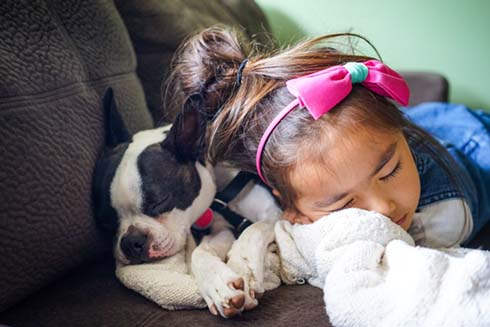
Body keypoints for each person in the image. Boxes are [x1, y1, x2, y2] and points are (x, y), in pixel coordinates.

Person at [166, 26, 490, 248]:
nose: (383, 208)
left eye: (391, 170)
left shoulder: (446, 217)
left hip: (470, 137)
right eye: (344, 203)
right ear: (290, 207)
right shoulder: (286, 174)